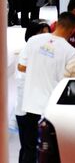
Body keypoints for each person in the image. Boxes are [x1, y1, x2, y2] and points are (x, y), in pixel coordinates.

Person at [17, 12, 75, 163]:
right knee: (49, 154)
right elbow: (71, 83)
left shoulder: (33, 40)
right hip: (52, 111)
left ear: (56, 24)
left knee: (29, 150)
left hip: (29, 105)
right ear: (72, 30)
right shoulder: (71, 52)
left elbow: (21, 66)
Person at [15, 22, 50, 162]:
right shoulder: (28, 54)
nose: (45, 38)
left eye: (48, 33)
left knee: (31, 147)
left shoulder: (45, 55)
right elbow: (22, 74)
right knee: (29, 147)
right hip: (27, 108)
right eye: (41, 34)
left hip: (36, 107)